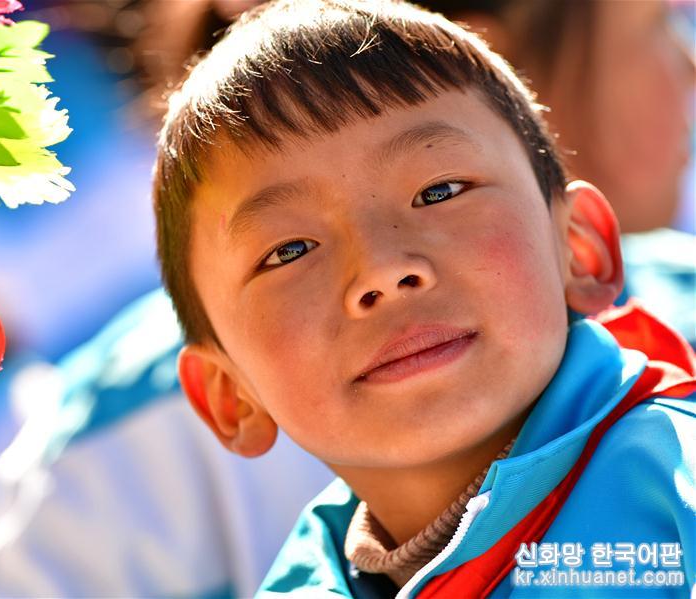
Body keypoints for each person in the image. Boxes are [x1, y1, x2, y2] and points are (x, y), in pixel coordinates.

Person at [145, 0, 695, 596]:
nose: (383, 269)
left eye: (441, 191)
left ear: (579, 249)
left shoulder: (672, 497)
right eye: (290, 250)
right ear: (231, 398)